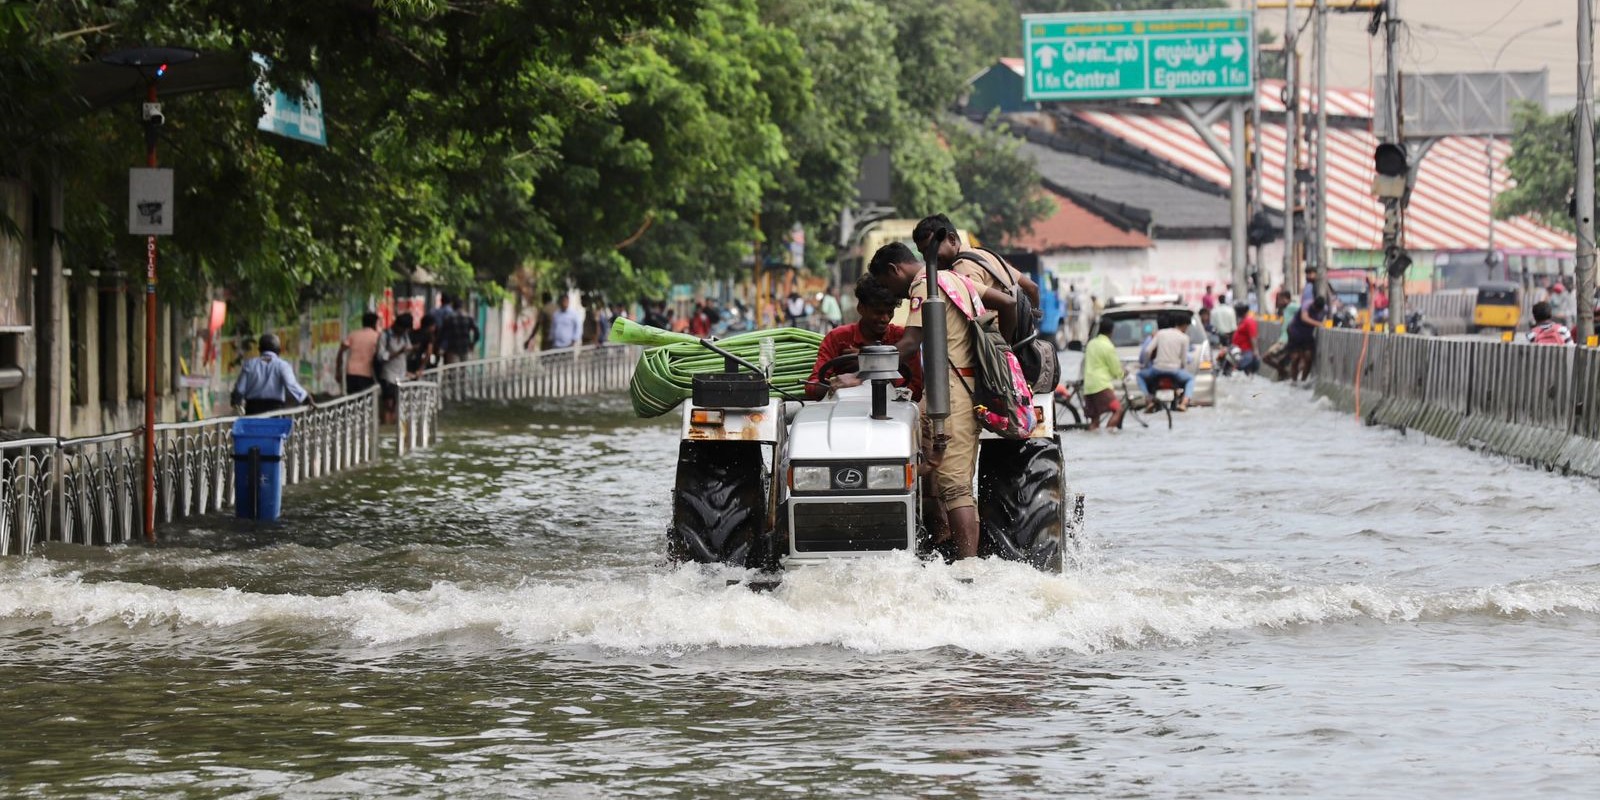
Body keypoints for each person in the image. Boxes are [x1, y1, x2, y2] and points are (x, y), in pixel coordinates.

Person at [869, 241, 1015, 561]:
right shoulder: (954, 279)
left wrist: (862, 372)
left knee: (956, 487)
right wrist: (1006, 348)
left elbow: (909, 344)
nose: (891, 295)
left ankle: (967, 568)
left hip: (952, 391)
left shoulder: (924, 284)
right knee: (927, 469)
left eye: (886, 285)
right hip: (948, 389)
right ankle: (939, 540)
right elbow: (1007, 301)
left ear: (895, 270)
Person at [803, 273, 924, 401]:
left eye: (890, 312)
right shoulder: (838, 338)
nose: (885, 319)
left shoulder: (904, 339)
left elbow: (915, 391)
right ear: (861, 308)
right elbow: (812, 387)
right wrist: (837, 383)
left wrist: (867, 366)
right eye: (878, 312)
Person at [231, 333, 312, 415]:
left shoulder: (249, 364)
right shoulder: (282, 365)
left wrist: (236, 403)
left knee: (254, 427)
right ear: (279, 350)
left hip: (253, 411)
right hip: (275, 411)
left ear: (259, 349)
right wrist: (306, 398)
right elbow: (291, 385)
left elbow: (239, 389)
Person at [1137, 314, 1196, 412]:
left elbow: (1147, 351)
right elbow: (1184, 359)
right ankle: (1184, 402)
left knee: (1139, 375)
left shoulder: (1160, 333)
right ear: (1185, 326)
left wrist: (1145, 365)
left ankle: (1148, 399)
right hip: (1174, 371)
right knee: (1190, 379)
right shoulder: (1184, 337)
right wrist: (1182, 369)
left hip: (1157, 370)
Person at [1081, 317, 1126, 430]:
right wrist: (1122, 374)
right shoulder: (1108, 346)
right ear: (1112, 331)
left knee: (1095, 421)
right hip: (1101, 386)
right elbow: (1116, 369)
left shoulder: (1091, 343)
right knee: (1118, 410)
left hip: (1088, 387)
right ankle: (1109, 436)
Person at [378, 314, 413, 422]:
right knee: (389, 403)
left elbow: (407, 350)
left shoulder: (405, 336)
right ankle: (386, 425)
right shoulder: (385, 336)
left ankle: (393, 429)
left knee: (397, 403)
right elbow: (381, 356)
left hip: (401, 373)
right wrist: (398, 352)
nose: (404, 331)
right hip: (388, 374)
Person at [337, 312, 381, 396]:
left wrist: (338, 370)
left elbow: (341, 351)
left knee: (353, 399)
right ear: (375, 323)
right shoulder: (377, 336)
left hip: (351, 373)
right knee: (365, 401)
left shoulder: (353, 334)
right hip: (367, 373)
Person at [1285, 296, 1328, 381]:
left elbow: (1326, 320)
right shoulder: (1307, 305)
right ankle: (1294, 380)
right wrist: (1319, 324)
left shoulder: (1324, 309)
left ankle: (1303, 380)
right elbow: (1304, 318)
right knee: (1295, 358)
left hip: (1307, 334)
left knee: (1308, 357)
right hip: (1295, 332)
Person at [440, 297, 480, 363]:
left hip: (452, 349)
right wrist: (472, 344)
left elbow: (442, 333)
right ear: (462, 306)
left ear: (453, 305)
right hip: (465, 348)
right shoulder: (468, 317)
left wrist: (442, 347)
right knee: (463, 371)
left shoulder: (449, 318)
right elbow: (477, 332)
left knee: (453, 371)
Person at [1231, 302, 1260, 374]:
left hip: (1246, 353)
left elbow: (1253, 337)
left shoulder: (1249, 321)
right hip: (1240, 352)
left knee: (1242, 371)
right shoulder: (1243, 321)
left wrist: (1255, 351)